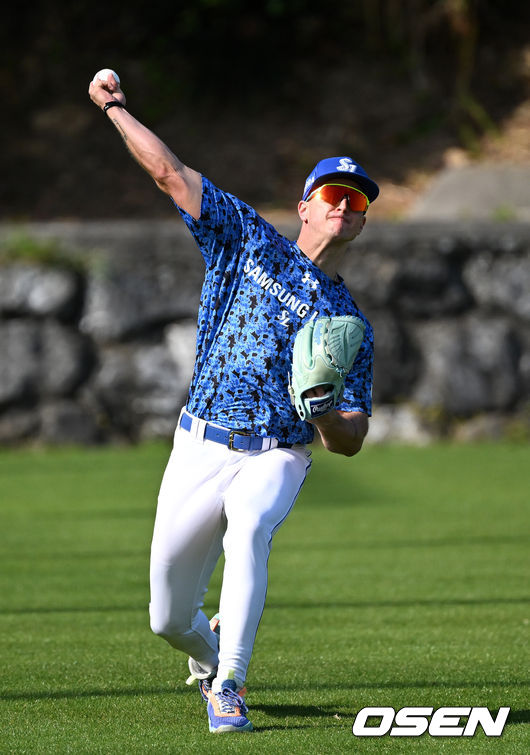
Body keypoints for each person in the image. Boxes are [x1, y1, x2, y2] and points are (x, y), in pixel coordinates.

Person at [89, 71, 378, 734]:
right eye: (334, 194)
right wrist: (114, 108)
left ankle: (231, 685)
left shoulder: (347, 322)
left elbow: (351, 435)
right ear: (305, 205)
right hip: (201, 441)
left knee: (250, 527)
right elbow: (169, 173)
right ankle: (208, 651)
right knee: (167, 617)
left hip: (277, 451)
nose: (345, 208)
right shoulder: (248, 239)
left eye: (358, 204)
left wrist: (325, 408)